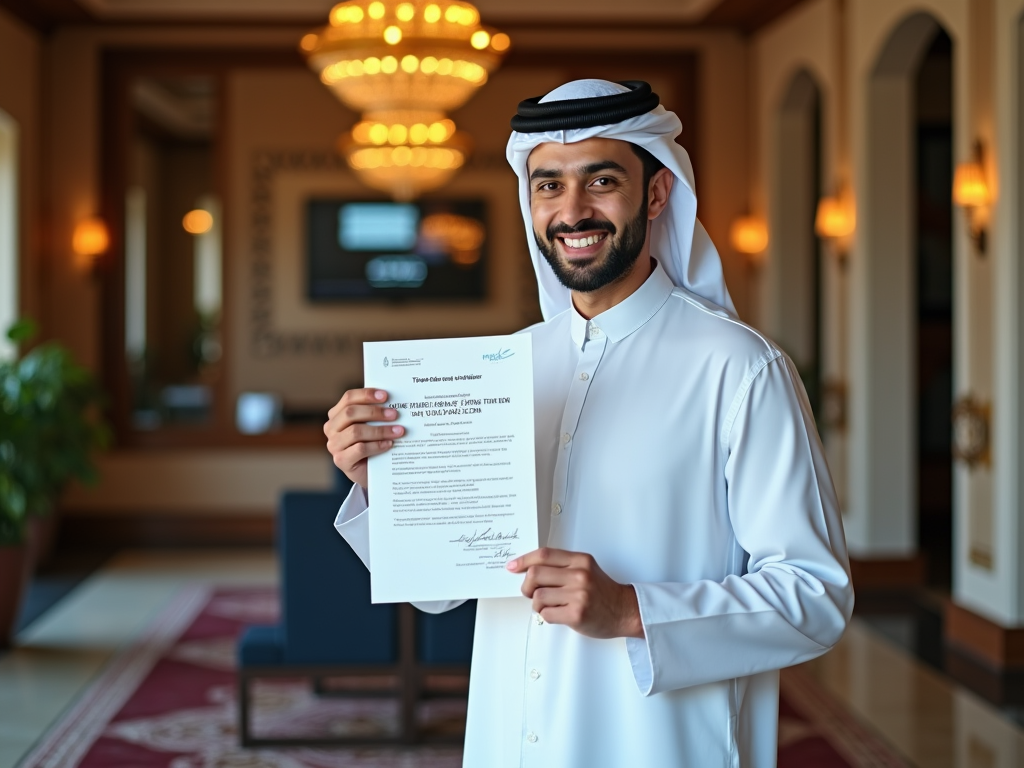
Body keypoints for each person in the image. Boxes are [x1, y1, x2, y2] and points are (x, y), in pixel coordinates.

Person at [324, 79, 854, 767]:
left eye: (601, 180)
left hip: (662, 747)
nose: (572, 210)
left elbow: (815, 597)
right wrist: (379, 483)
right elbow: (439, 594)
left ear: (657, 194)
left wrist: (631, 611)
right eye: (548, 186)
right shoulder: (508, 366)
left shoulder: (739, 368)